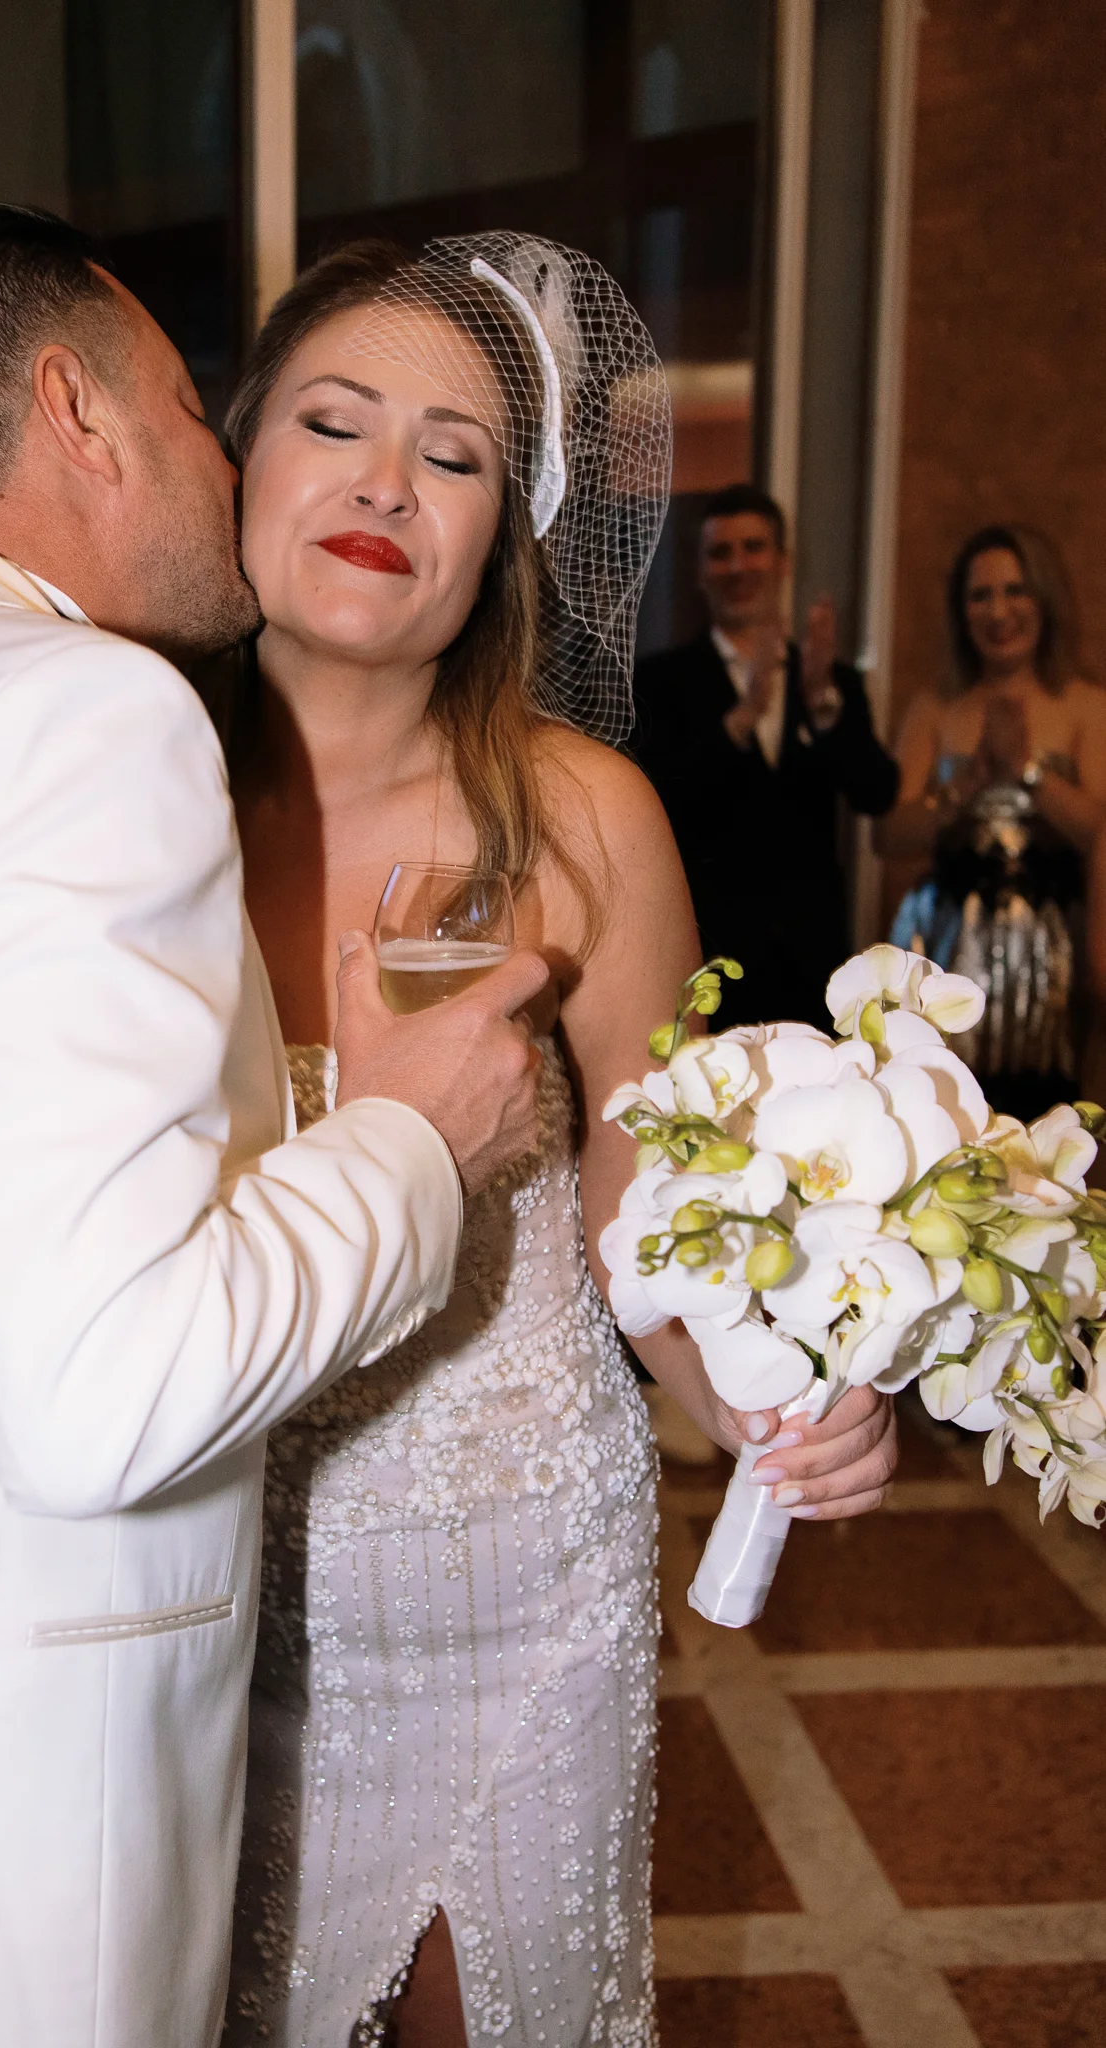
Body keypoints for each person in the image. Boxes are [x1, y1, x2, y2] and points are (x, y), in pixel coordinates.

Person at [0, 199, 553, 2048]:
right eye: (200, 406)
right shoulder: (79, 720)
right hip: (5, 1848)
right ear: (78, 413)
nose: (219, 452)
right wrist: (414, 1142)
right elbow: (95, 1382)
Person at [219, 237, 898, 2048]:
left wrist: (778, 1395)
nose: (383, 481)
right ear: (242, 461)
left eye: (452, 455)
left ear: (507, 526)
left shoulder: (585, 810)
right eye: (336, 421)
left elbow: (646, 1218)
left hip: (520, 1580)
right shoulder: (125, 785)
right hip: (201, 1580)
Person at [630, 483, 899, 1032]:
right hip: (709, 964)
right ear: (700, 572)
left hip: (817, 967)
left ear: (782, 562)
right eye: (719, 553)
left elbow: (877, 791)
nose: (738, 566)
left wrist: (824, 705)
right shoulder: (661, 682)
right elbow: (659, 800)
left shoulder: (831, 680)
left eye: (753, 547)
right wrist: (743, 716)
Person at [880, 524, 1106, 1121]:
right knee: (946, 1112)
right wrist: (963, 791)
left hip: (1051, 955)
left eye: (1015, 591)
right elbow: (889, 832)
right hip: (949, 943)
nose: (998, 610)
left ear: (1044, 601)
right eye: (981, 596)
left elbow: (1097, 831)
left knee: (1045, 1121)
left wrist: (1027, 769)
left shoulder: (1085, 704)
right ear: (962, 611)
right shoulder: (936, 706)